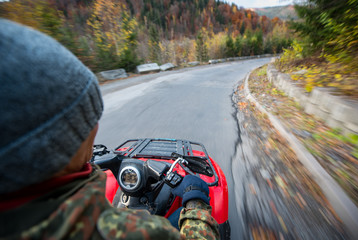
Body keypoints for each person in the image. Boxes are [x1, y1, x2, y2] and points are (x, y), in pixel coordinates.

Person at [0, 19, 219, 240]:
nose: (95, 127)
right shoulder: (123, 232)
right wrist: (195, 202)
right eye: (85, 122)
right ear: (57, 143)